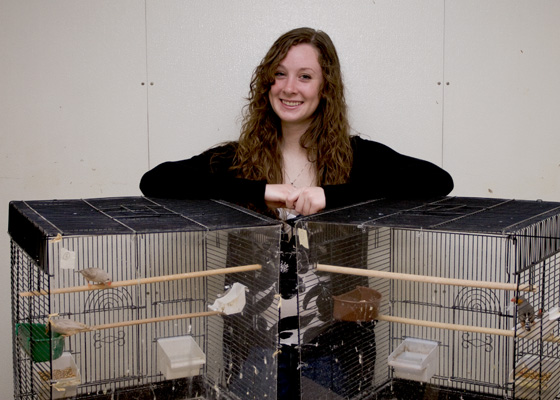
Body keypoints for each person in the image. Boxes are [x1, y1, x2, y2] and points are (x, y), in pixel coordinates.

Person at [140, 27, 453, 399]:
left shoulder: (357, 158)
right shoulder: (235, 160)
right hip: (252, 344)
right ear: (266, 82)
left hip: (335, 345)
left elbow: (436, 181)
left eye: (305, 76)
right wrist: (260, 190)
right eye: (280, 74)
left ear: (325, 88)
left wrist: (330, 197)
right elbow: (155, 181)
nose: (289, 87)